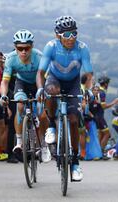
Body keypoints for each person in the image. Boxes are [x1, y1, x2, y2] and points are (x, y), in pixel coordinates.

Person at [36, 16, 93, 181]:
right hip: (55, 79)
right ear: (58, 35)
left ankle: (75, 162)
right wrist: (40, 88)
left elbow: (89, 74)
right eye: (66, 34)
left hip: (73, 83)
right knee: (52, 91)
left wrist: (88, 90)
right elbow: (41, 73)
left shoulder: (82, 48)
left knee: (74, 120)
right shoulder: (51, 47)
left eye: (74, 33)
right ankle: (52, 125)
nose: (71, 38)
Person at [0, 29, 50, 163]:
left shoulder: (39, 57)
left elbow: (46, 78)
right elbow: (5, 81)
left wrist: (43, 91)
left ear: (32, 46)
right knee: (20, 106)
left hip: (39, 84)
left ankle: (44, 145)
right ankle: (19, 141)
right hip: (22, 83)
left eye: (27, 48)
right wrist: (3, 95)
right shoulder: (10, 59)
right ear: (15, 47)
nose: (23, 52)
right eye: (20, 48)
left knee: (42, 114)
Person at [95, 76, 118, 159]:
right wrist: (114, 102)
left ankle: (97, 152)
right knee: (107, 134)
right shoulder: (102, 92)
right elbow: (104, 106)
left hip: (96, 116)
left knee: (101, 134)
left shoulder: (98, 91)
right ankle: (101, 153)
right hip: (99, 116)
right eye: (108, 83)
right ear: (105, 84)